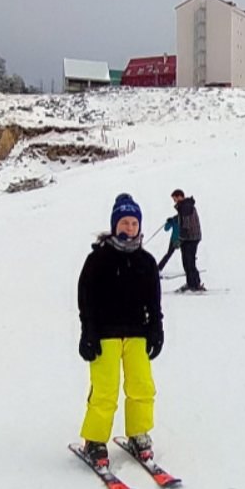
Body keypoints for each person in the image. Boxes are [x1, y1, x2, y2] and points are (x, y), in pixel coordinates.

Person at [76, 193, 164, 466]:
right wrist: (87, 331)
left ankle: (139, 433)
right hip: (105, 335)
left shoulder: (146, 261)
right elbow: (86, 297)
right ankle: (95, 440)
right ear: (115, 225)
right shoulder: (99, 259)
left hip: (137, 333)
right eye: (124, 223)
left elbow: (154, 299)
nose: (129, 228)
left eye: (133, 223)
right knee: (105, 390)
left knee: (142, 386)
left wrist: (156, 328)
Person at [171, 189, 204, 292]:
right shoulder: (186, 205)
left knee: (189, 262)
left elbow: (187, 225)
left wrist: (180, 239)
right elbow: (183, 219)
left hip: (191, 238)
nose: (174, 201)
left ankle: (194, 284)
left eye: (175, 199)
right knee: (188, 261)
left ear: (179, 196)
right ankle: (192, 283)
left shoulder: (185, 207)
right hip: (192, 237)